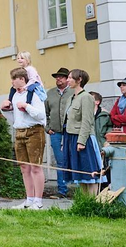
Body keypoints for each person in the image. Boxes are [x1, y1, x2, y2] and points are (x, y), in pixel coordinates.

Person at [0, 67, 47, 209]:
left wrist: (26, 106)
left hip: (34, 131)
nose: (12, 82)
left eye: (14, 79)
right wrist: (4, 110)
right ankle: (29, 199)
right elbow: (15, 118)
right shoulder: (14, 95)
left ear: (22, 79)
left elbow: (41, 115)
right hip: (19, 132)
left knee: (36, 167)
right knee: (24, 167)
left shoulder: (34, 93)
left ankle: (38, 201)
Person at [61, 68, 102, 192]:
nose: (67, 80)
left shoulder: (86, 97)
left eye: (70, 78)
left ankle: (93, 200)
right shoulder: (71, 98)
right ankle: (84, 200)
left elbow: (87, 120)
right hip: (70, 136)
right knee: (80, 173)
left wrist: (81, 141)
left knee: (89, 171)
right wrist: (64, 142)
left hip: (83, 137)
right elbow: (67, 121)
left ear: (79, 80)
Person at [44, 67, 72, 197]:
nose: (58, 79)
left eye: (61, 77)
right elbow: (44, 113)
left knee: (73, 159)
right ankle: (62, 190)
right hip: (55, 132)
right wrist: (47, 128)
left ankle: (79, 189)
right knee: (60, 161)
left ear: (67, 79)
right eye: (57, 77)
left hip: (70, 132)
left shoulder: (73, 92)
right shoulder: (50, 93)